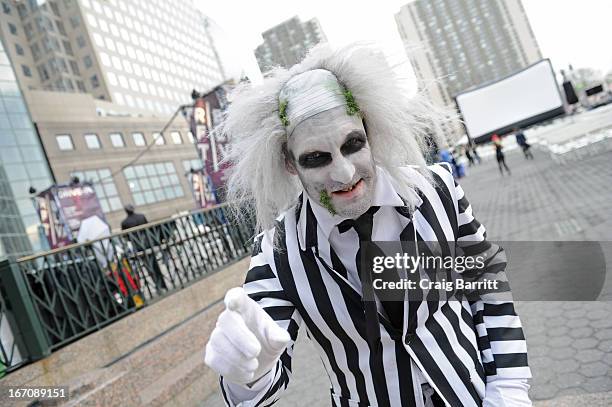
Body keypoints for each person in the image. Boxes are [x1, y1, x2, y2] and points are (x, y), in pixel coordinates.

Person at [204, 44, 531, 407]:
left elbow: (487, 288)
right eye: (316, 158)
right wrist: (248, 373)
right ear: (289, 164)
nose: (344, 173)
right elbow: (258, 386)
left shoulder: (437, 190)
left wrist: (508, 389)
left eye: (353, 144)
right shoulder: (277, 251)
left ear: (370, 131)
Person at [121, 204, 168, 292]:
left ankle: (158, 286)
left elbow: (125, 236)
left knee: (149, 267)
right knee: (154, 265)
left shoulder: (125, 222)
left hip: (139, 247)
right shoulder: (141, 216)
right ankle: (162, 285)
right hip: (148, 244)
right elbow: (148, 228)